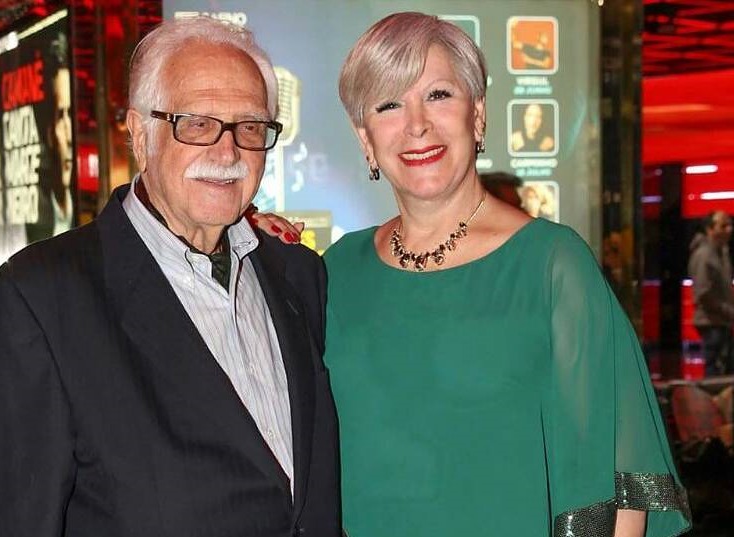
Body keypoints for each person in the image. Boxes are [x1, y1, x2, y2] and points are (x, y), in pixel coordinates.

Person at [258, 12, 689, 537]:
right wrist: (246, 240)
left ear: (478, 114)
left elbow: (620, 492)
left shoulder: (553, 265)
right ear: (365, 137)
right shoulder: (337, 270)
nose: (416, 124)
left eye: (438, 95)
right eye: (389, 104)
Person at [0, 17, 340, 537]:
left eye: (250, 127)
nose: (228, 152)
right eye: (197, 123)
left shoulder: (298, 273)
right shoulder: (39, 299)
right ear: (141, 136)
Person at [26, 34, 74, 244]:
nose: (70, 136)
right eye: (61, 115)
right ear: (48, 132)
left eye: (72, 115)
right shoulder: (35, 214)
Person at [687, 210, 734, 376]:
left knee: (723, 367)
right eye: (723, 226)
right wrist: (727, 310)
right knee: (714, 369)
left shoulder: (721, 253)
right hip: (711, 321)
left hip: (720, 321)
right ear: (710, 229)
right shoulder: (705, 255)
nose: (729, 229)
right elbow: (703, 292)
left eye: (730, 225)